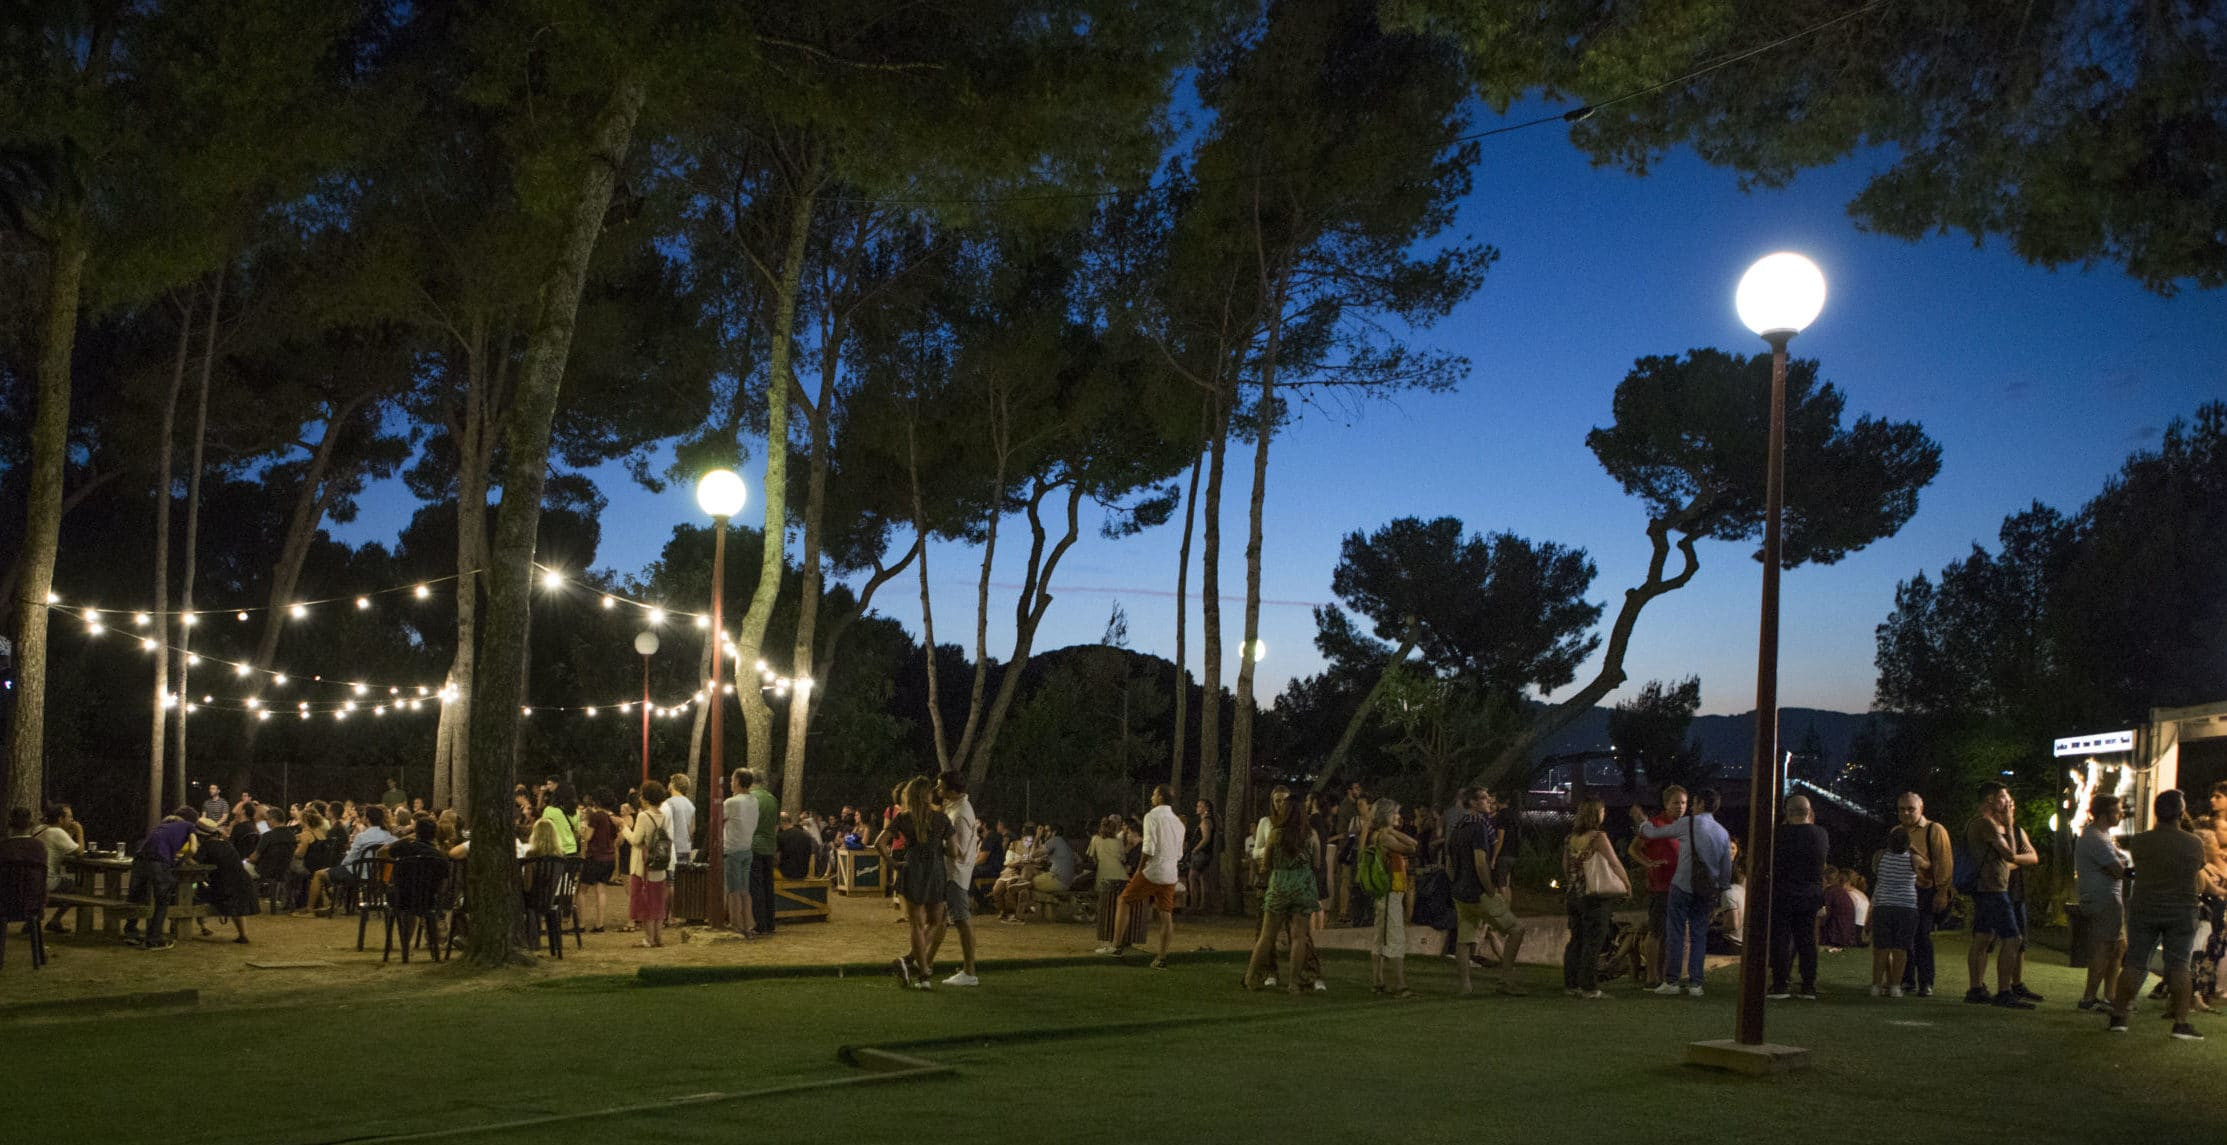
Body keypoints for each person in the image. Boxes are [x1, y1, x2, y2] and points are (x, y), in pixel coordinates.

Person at [2109, 789, 2213, 1040]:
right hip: (2182, 910)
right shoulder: (2194, 842)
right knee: (2179, 966)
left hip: (2145, 907)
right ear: (2180, 812)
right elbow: (2198, 869)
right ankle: (2180, 1023)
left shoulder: (2140, 841)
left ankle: (2119, 1017)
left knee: (2135, 962)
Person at [1633, 787, 1732, 997]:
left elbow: (1652, 833)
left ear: (1701, 804)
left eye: (1692, 802)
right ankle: (1696, 984)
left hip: (1681, 886)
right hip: (1706, 891)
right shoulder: (1723, 832)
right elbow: (1726, 871)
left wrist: (1641, 820)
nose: (1690, 807)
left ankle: (1672, 981)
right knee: (1698, 935)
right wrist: (1721, 892)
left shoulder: (1688, 824)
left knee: (1676, 934)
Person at [1964, 780, 2041, 1009]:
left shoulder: (1978, 823)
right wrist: (2008, 825)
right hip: (1993, 890)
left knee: (1983, 937)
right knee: (2013, 938)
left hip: (1986, 888)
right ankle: (2004, 991)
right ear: (1991, 800)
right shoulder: (1985, 824)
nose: (2009, 803)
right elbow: (2011, 854)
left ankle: (1976, 989)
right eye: (2004, 798)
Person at [1449, 787, 1527, 996]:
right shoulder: (1479, 828)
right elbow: (1480, 862)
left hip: (1460, 892)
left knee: (1464, 940)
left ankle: (1465, 986)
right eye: (1483, 798)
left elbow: (1450, 863)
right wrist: (1490, 889)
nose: (1489, 801)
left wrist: (1456, 882)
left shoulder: (1458, 828)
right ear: (1473, 803)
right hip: (1479, 892)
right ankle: (1506, 980)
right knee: (1516, 929)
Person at [877, 776, 954, 990]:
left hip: (912, 868)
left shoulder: (903, 818)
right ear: (927, 794)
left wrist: (893, 862)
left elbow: (879, 843)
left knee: (916, 924)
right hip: (935, 869)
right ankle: (918, 968)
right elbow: (955, 850)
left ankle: (922, 974)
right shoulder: (941, 819)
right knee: (936, 921)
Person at [1242, 792, 1319, 992]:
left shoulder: (1276, 833)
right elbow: (1317, 862)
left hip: (1279, 884)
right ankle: (1293, 983)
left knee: (1267, 935)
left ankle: (1250, 977)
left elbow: (1265, 864)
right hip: (1303, 885)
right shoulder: (1311, 835)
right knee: (1299, 936)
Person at [1102, 784, 1184, 968]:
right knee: (1166, 914)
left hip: (1153, 870)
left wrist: (1140, 868)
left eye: (1154, 794)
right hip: (1170, 873)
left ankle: (1116, 946)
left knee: (1124, 900)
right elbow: (1179, 853)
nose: (1151, 797)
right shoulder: (1178, 822)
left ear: (1160, 798)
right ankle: (1161, 958)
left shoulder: (1151, 816)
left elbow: (1148, 847)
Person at [1561, 798, 1628, 999]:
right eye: (1602, 811)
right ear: (1596, 814)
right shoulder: (1598, 837)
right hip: (1594, 896)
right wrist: (1627, 883)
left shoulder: (1570, 838)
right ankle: (1589, 987)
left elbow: (1565, 866)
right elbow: (1614, 863)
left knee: (1576, 940)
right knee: (1593, 941)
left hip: (1574, 894)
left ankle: (1571, 984)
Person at [1767, 794, 1830, 1000]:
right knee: (1807, 940)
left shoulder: (1779, 835)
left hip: (1783, 893)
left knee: (1781, 939)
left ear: (1788, 812)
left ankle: (1780, 983)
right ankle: (1808, 985)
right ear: (1809, 812)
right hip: (1810, 895)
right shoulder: (1820, 834)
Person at [2074, 792, 2131, 1011]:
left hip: (2106, 898)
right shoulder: (2096, 838)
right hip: (2102, 899)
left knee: (2118, 946)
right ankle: (2089, 997)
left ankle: (2110, 996)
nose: (2121, 814)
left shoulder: (2100, 836)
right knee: (2104, 946)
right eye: (2117, 810)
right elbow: (2118, 870)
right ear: (2105, 813)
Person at [1896, 791, 1956, 996]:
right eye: (1902, 809)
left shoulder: (1934, 830)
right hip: (1904, 890)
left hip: (1925, 889)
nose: (1906, 813)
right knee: (1904, 936)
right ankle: (1906, 979)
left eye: (1910, 809)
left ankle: (1925, 981)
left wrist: (1942, 891)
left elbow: (1944, 862)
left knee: (1922, 935)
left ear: (1921, 809)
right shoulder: (1897, 831)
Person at [1627, 785, 1686, 989]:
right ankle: (1652, 976)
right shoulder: (1657, 824)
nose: (1680, 807)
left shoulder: (1684, 826)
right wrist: (1648, 863)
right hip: (1661, 885)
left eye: (1684, 803)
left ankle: (1662, 975)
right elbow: (1634, 849)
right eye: (1676, 803)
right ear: (1666, 804)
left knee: (1670, 934)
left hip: (1680, 886)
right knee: (1656, 931)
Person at [927, 771, 981, 987]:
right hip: (951, 872)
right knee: (942, 919)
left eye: (940, 787)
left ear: (951, 790)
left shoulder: (960, 814)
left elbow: (957, 850)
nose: (937, 790)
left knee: (961, 919)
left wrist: (935, 843)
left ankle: (970, 971)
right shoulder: (956, 807)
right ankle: (926, 962)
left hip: (956, 872)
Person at [1360, 798, 1418, 996]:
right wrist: (1392, 832)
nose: (1399, 816)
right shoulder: (1383, 837)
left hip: (1388, 893)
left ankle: (1378, 980)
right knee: (1394, 937)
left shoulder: (1379, 835)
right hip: (1389, 892)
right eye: (1395, 813)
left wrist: (1392, 830)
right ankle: (1400, 984)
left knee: (1381, 937)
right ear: (1386, 815)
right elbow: (1412, 846)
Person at [121, 808, 201, 949]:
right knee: (162, 899)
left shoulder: (163, 826)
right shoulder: (189, 826)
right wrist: (182, 860)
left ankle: (130, 933)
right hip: (158, 860)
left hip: (140, 859)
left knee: (136, 895)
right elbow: (193, 849)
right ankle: (153, 939)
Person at [305, 805, 395, 915]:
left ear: (367, 819)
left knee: (319, 875)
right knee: (341, 872)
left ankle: (309, 909)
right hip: (378, 875)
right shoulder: (390, 837)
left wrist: (340, 867)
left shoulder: (362, 837)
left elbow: (349, 859)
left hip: (357, 874)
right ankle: (341, 904)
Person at [1869, 827, 1925, 997]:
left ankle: (1876, 986)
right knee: (1901, 949)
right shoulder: (1913, 859)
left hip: (1883, 905)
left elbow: (1875, 871)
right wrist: (1914, 848)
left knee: (1881, 948)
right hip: (1906, 907)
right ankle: (1895, 986)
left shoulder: (1880, 856)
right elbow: (1928, 863)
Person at [191, 821, 258, 944]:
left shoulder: (206, 846)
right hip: (242, 883)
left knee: (195, 893)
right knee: (237, 905)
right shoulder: (228, 845)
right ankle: (242, 934)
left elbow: (194, 864)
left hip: (223, 888)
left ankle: (203, 927)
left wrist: (186, 858)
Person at [625, 781, 673, 948]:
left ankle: (648, 939)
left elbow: (636, 840)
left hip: (643, 865)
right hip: (659, 865)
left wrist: (624, 828)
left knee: (645, 903)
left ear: (645, 798)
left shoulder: (643, 816)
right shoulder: (663, 815)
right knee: (657, 903)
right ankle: (658, 938)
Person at [27, 804, 82, 932]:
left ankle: (30, 924)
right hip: (48, 881)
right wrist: (79, 831)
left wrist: (69, 833)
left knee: (67, 884)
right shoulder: (56, 832)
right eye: (70, 817)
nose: (72, 820)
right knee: (79, 889)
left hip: (33, 880)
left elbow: (63, 845)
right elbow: (79, 851)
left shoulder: (40, 829)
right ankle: (55, 920)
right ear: (60, 819)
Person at [721, 769, 761, 939]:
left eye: (732, 780)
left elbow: (719, 821)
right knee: (745, 889)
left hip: (732, 849)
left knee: (733, 890)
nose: (730, 783)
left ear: (737, 781)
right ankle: (749, 923)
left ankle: (736, 924)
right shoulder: (754, 800)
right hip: (747, 848)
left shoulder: (731, 803)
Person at [578, 793, 618, 933]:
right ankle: (599, 924)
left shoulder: (596, 816)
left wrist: (581, 832)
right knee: (601, 890)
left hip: (595, 857)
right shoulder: (609, 817)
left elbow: (588, 836)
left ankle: (581, 924)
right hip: (609, 858)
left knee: (582, 890)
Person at [750, 773, 779, 936]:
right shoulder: (772, 798)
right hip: (769, 846)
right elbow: (775, 825)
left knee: (756, 886)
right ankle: (770, 922)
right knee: (768, 885)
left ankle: (759, 923)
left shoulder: (752, 798)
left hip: (755, 845)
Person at [1188, 799, 1218, 913]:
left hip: (1201, 854)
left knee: (1192, 877)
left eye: (1199, 806)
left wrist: (1196, 849)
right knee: (1203, 879)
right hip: (1206, 853)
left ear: (1206, 808)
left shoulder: (1205, 822)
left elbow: (1206, 838)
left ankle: (1194, 905)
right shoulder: (1209, 821)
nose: (1197, 808)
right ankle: (1203, 905)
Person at [663, 773, 696, 868]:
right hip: (685, 848)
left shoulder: (669, 803)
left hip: (672, 849)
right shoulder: (690, 805)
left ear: (673, 784)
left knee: (670, 880)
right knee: (682, 880)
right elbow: (692, 829)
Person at [539, 783, 580, 856]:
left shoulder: (549, 810)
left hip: (555, 850)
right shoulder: (576, 812)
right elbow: (576, 833)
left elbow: (543, 830)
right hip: (572, 850)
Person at [776, 812, 816, 881]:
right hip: (803, 874)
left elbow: (777, 858)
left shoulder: (781, 836)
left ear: (780, 822)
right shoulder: (805, 836)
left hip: (787, 874)